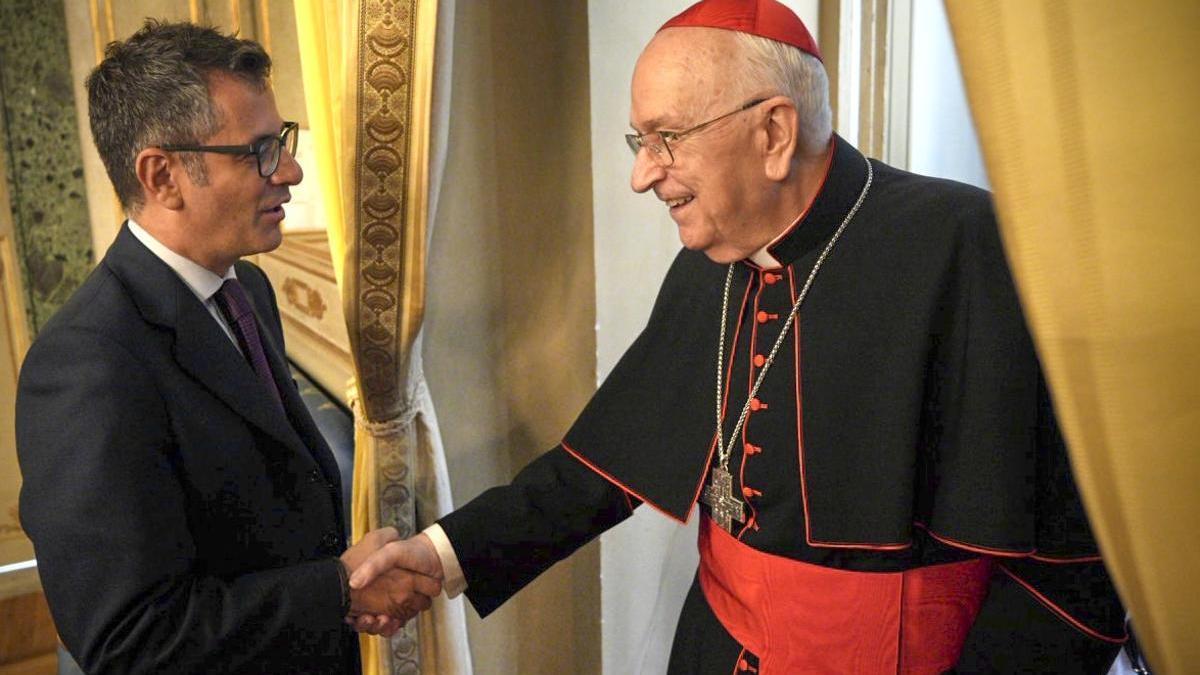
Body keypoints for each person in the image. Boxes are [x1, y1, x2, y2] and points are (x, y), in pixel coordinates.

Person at [353, 0, 1127, 672]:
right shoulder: (717, 251)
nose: (643, 174)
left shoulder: (965, 246)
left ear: (774, 133)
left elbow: (1072, 566)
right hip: (716, 648)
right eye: (639, 141)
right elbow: (603, 468)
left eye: (666, 137)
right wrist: (441, 555)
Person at [15, 21, 439, 674]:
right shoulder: (88, 362)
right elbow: (130, 642)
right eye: (260, 151)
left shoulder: (250, 289)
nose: (291, 170)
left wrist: (342, 592)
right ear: (162, 176)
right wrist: (334, 588)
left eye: (283, 141)